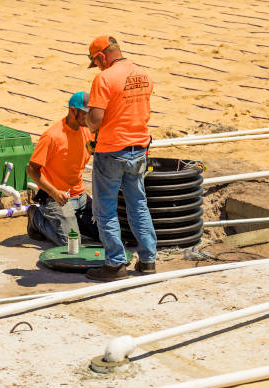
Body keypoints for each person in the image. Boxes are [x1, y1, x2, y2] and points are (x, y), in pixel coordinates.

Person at [83, 35, 157, 282]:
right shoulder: (143, 75)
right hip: (139, 149)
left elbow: (95, 119)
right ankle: (148, 260)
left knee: (105, 209)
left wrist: (86, 125)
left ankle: (115, 265)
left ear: (102, 56)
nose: (98, 66)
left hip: (112, 151)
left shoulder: (104, 78)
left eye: (97, 61)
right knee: (138, 205)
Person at [26, 91, 98, 246]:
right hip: (55, 198)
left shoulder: (88, 130)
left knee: (105, 233)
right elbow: (32, 170)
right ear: (73, 111)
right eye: (86, 114)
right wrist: (54, 192)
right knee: (72, 244)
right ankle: (36, 218)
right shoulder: (52, 136)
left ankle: (73, 222)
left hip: (80, 197)